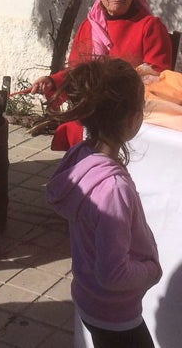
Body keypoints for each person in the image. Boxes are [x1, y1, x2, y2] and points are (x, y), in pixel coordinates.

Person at [45, 57, 162, 348]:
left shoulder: (79, 156)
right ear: (134, 119)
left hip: (89, 298)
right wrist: (151, 270)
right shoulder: (113, 189)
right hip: (116, 314)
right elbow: (113, 273)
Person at [29, 0, 172, 149]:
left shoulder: (149, 26)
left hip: (130, 108)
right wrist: (52, 81)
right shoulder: (88, 26)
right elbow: (78, 71)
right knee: (76, 126)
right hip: (93, 106)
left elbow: (158, 74)